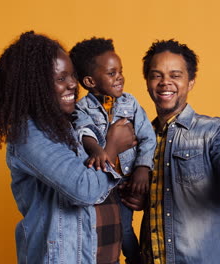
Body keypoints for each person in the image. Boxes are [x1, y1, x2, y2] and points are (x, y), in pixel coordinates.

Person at [0, 31, 137, 264]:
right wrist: (113, 146)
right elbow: (83, 188)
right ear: (34, 86)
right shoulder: (29, 135)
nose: (72, 84)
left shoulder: (73, 123)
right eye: (60, 78)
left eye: (72, 76)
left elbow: (102, 180)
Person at [122, 39, 220, 264]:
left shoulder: (213, 132)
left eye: (175, 75)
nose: (165, 83)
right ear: (147, 82)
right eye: (157, 75)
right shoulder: (139, 139)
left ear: (190, 82)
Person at [69, 37, 156, 264]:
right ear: (90, 81)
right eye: (111, 73)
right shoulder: (80, 108)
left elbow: (147, 137)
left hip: (127, 183)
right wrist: (98, 148)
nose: (119, 77)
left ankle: (136, 259)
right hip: (101, 186)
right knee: (107, 232)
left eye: (120, 71)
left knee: (124, 228)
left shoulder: (131, 104)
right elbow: (83, 131)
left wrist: (143, 169)